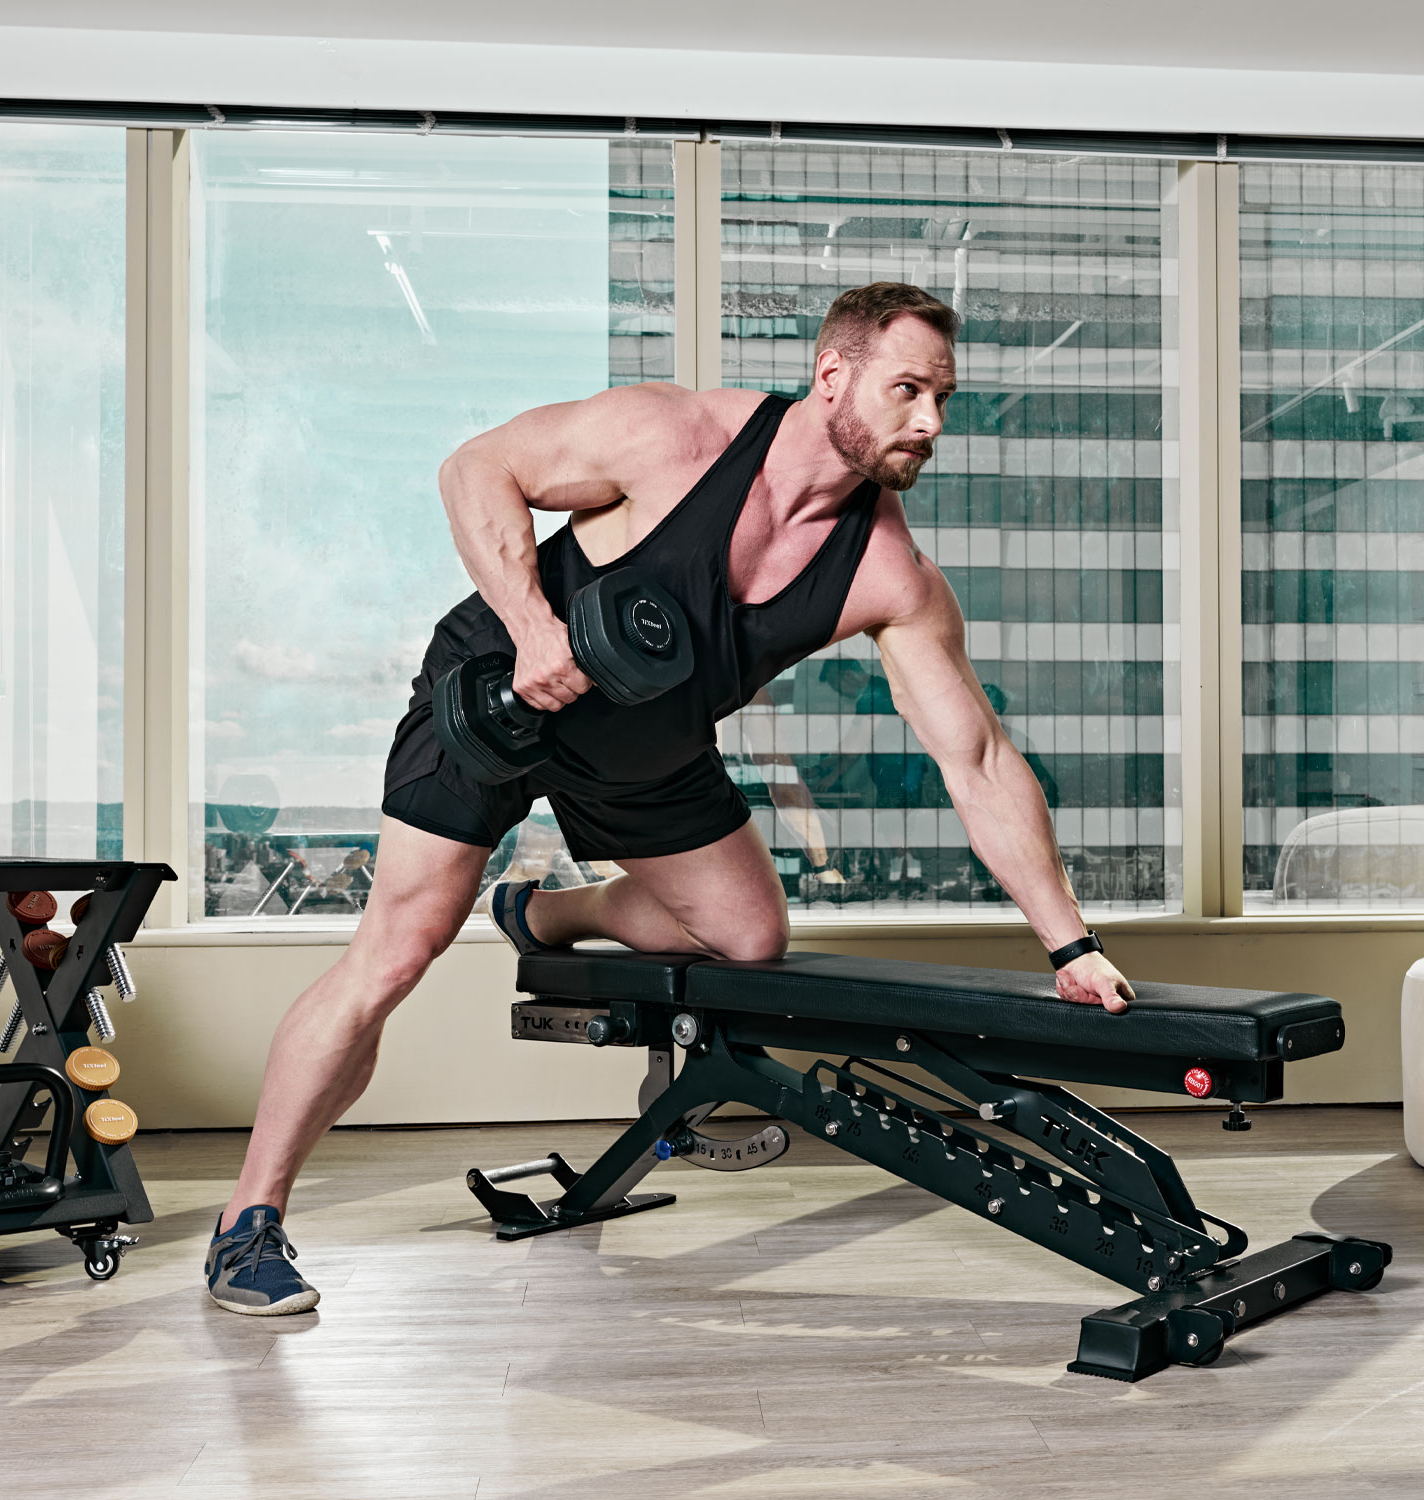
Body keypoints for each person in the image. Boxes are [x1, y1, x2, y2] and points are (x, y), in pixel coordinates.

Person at [204, 282, 1135, 1316]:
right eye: (908, 390)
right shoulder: (676, 437)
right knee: (393, 957)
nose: (932, 423)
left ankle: (549, 912)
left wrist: (1070, 946)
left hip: (645, 746)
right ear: (834, 375)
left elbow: (979, 760)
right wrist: (534, 628)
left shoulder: (891, 574)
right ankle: (250, 1222)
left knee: (748, 938)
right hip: (501, 694)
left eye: (943, 399)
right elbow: (476, 467)